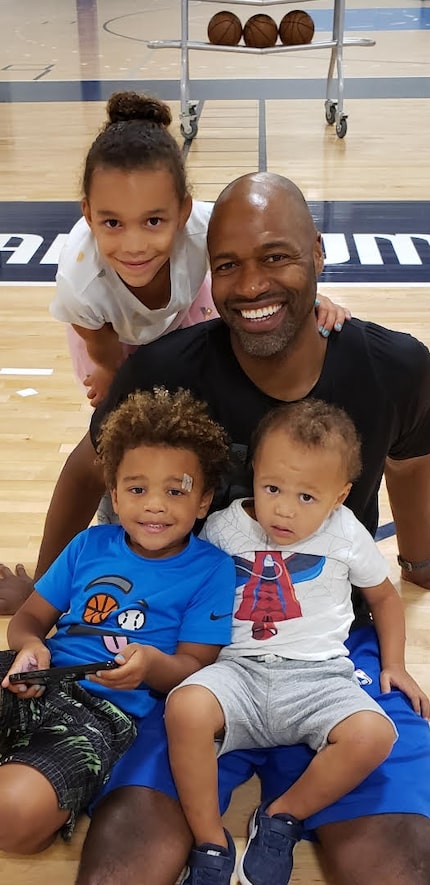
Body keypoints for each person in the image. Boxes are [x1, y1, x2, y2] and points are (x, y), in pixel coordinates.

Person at [1, 171, 430, 885]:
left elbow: (413, 463)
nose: (251, 283)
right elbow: (88, 466)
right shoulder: (166, 368)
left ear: (319, 254)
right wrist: (51, 604)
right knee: (117, 865)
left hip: (330, 650)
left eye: (276, 256)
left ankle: (285, 811)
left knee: (400, 866)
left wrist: (419, 559)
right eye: (227, 265)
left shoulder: (394, 365)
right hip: (183, 648)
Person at [165, 399, 429, 885]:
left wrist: (397, 664)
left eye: (307, 497)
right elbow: (192, 591)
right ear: (255, 472)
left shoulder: (346, 533)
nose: (284, 508)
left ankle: (282, 816)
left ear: (341, 495)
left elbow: (386, 598)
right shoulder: (224, 528)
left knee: (376, 734)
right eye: (272, 488)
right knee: (184, 710)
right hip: (237, 670)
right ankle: (209, 839)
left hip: (320, 675)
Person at [0, 388, 235, 856]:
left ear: (204, 500)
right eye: (136, 488)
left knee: (14, 817)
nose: (154, 505)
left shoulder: (213, 568)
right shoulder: (90, 544)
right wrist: (30, 647)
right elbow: (29, 619)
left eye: (175, 490)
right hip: (33, 677)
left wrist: (150, 664)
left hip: (107, 712)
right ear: (113, 493)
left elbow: (195, 667)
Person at [50, 89, 348, 407]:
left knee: (200, 401)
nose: (134, 246)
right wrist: (110, 372)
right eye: (112, 223)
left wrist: (313, 299)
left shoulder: (205, 226)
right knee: (128, 414)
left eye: (153, 221)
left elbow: (263, 266)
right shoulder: (79, 281)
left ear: (183, 212)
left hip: (185, 312)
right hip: (113, 340)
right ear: (89, 215)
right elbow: (101, 344)